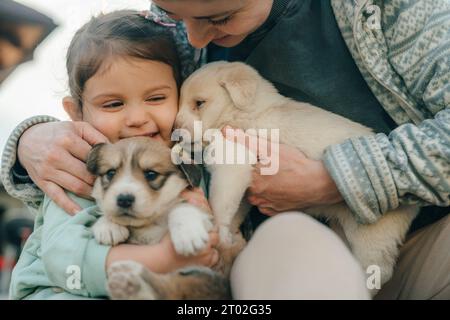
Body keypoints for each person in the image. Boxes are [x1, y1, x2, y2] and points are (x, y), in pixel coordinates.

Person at [2, 0, 449, 299]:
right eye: (175, 13)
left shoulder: (391, 10)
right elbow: (110, 89)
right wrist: (29, 139)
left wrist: (332, 178)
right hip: (281, 249)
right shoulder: (170, 32)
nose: (193, 40)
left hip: (425, 227)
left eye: (217, 18)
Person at [6, 10, 220, 300]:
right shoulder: (77, 167)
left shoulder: (184, 156)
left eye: (156, 98)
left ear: (180, 98)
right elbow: (61, 254)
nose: (136, 118)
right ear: (77, 113)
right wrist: (162, 260)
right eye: (114, 104)